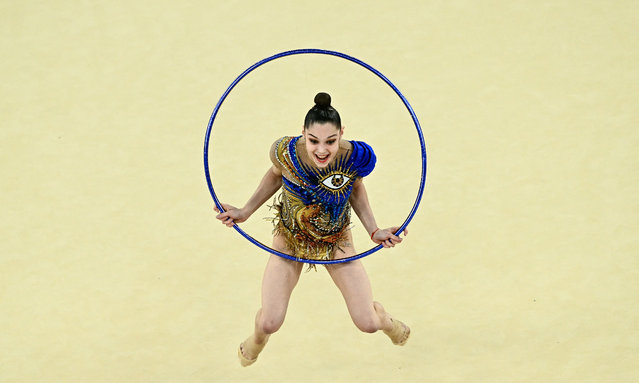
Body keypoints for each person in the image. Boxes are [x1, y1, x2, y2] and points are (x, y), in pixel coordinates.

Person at [214, 92, 410, 367]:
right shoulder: (285, 152)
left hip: (336, 239)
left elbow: (355, 187)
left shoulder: (355, 157)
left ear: (342, 133)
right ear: (302, 133)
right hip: (290, 238)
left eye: (331, 141)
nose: (321, 150)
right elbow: (274, 174)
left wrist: (373, 229)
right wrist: (245, 211)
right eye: (313, 140)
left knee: (367, 323)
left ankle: (386, 322)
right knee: (270, 321)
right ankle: (257, 339)